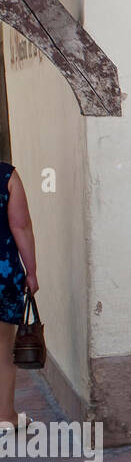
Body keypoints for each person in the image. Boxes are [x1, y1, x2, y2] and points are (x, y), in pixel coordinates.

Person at [0, 162, 37, 436]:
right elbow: (20, 226)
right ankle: (6, 418)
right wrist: (32, 272)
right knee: (2, 350)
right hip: (2, 275)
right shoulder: (6, 175)